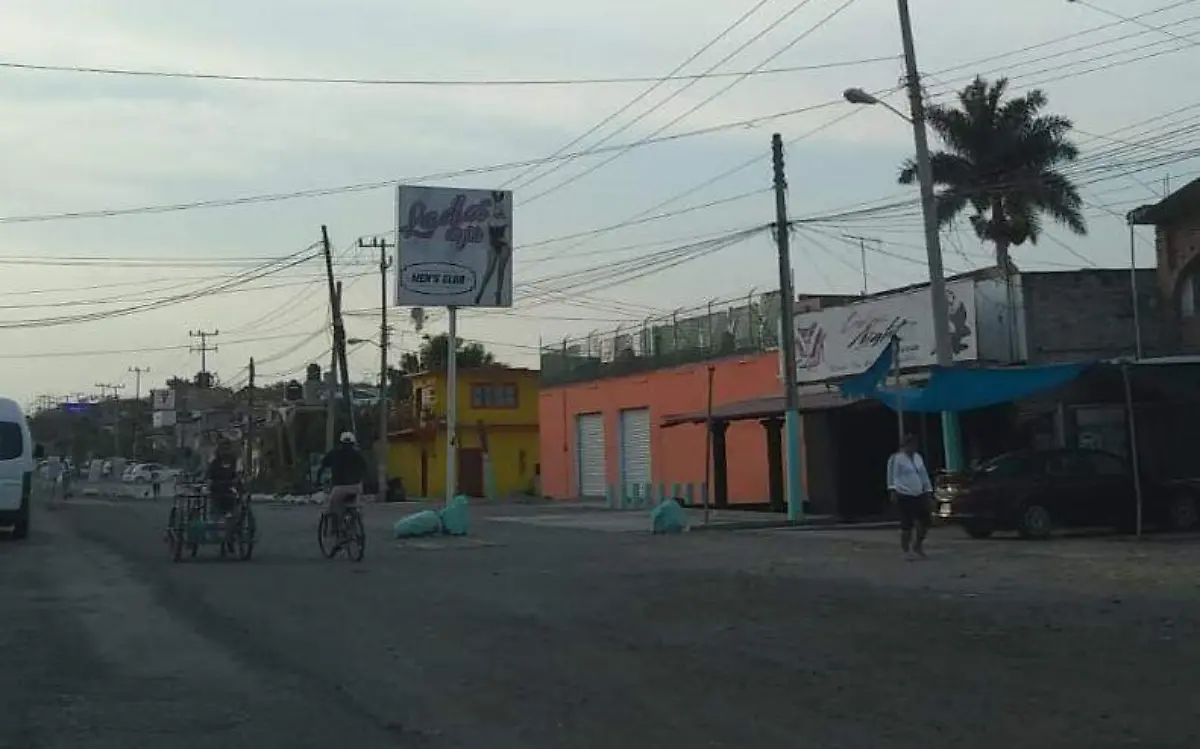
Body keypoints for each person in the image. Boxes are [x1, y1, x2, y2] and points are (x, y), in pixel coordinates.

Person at [887, 434, 933, 559]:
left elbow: (923, 474)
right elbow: (891, 476)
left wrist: (928, 490)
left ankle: (918, 545)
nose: (912, 447)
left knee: (925, 521)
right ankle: (905, 550)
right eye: (910, 445)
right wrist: (893, 490)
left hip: (918, 492)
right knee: (907, 523)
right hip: (903, 492)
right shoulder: (896, 458)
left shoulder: (918, 458)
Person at [320, 432, 366, 529]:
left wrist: (318, 479)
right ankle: (354, 525)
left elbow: (323, 464)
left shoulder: (334, 453)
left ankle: (336, 528)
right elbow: (364, 468)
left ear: (340, 442)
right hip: (356, 487)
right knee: (357, 506)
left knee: (333, 507)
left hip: (340, 488)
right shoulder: (358, 454)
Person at [207, 440, 240, 523]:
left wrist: (236, 481)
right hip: (216, 489)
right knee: (215, 507)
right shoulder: (215, 461)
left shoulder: (235, 460)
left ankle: (230, 518)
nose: (225, 451)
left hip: (230, 488)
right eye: (223, 449)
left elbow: (238, 473)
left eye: (227, 449)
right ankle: (216, 521)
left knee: (233, 501)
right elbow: (209, 474)